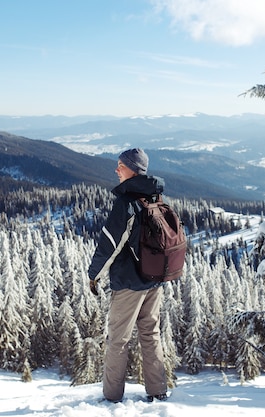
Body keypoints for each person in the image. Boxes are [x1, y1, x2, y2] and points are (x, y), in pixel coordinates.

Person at [88, 148, 168, 403]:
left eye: (120, 165)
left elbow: (110, 243)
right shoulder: (155, 196)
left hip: (128, 284)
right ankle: (158, 391)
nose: (116, 169)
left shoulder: (126, 203)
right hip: (153, 280)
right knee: (150, 334)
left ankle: (111, 398)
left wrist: (94, 275)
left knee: (118, 340)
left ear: (132, 169)